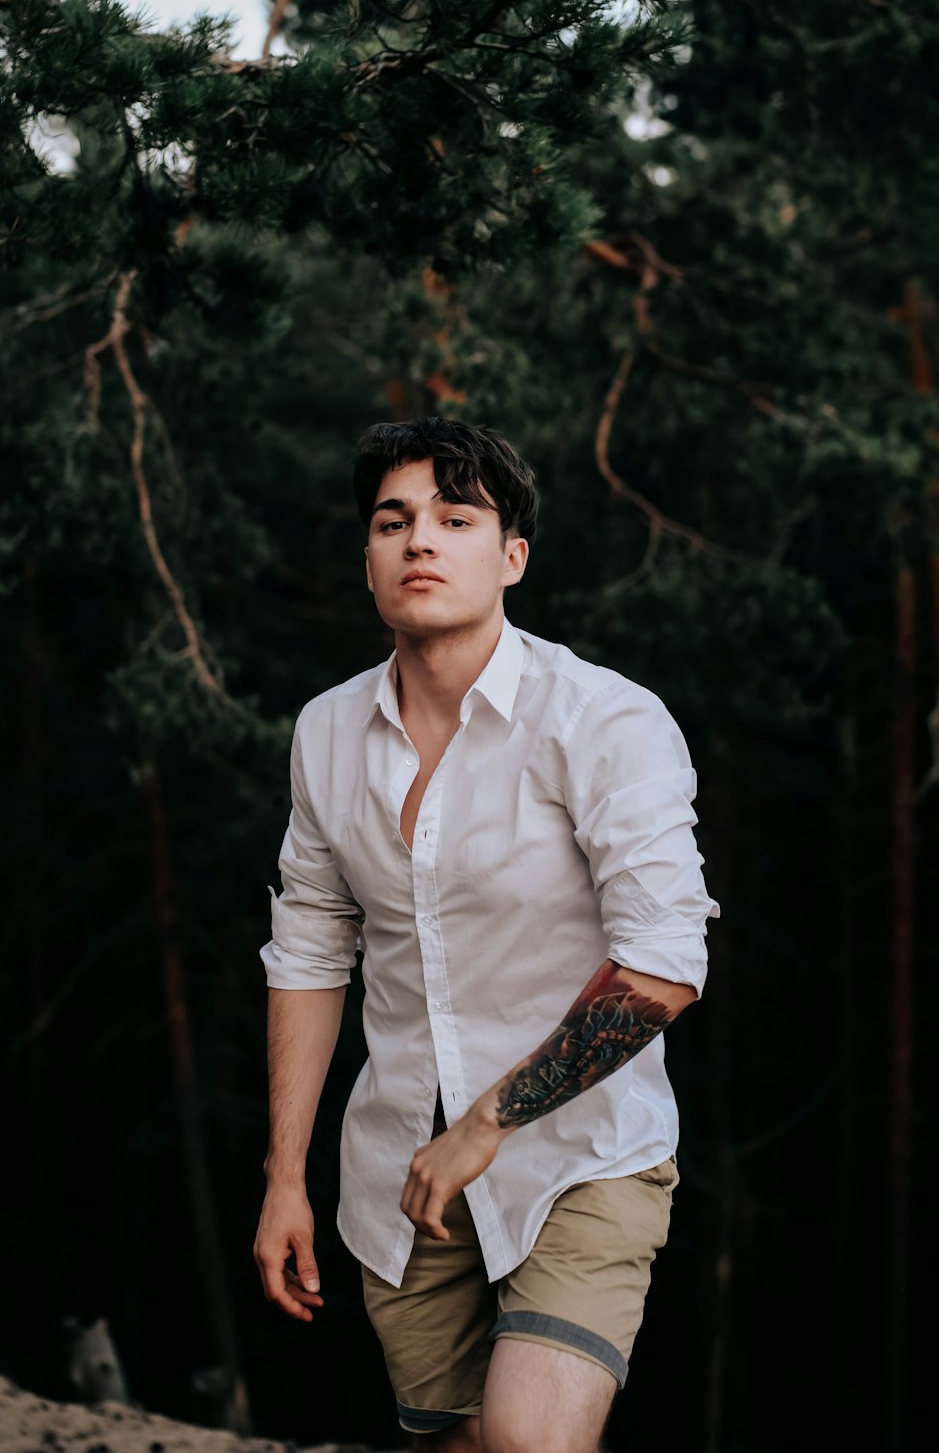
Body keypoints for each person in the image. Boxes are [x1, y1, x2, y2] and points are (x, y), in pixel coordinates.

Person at [253, 417, 719, 1453]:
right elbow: (311, 951)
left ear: (510, 557)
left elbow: (665, 968)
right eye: (394, 521)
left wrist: (485, 1127)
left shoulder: (605, 720)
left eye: (455, 518)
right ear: (368, 558)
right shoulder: (326, 732)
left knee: (530, 1441)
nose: (421, 541)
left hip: (581, 1157)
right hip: (398, 1176)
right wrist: (287, 1177)